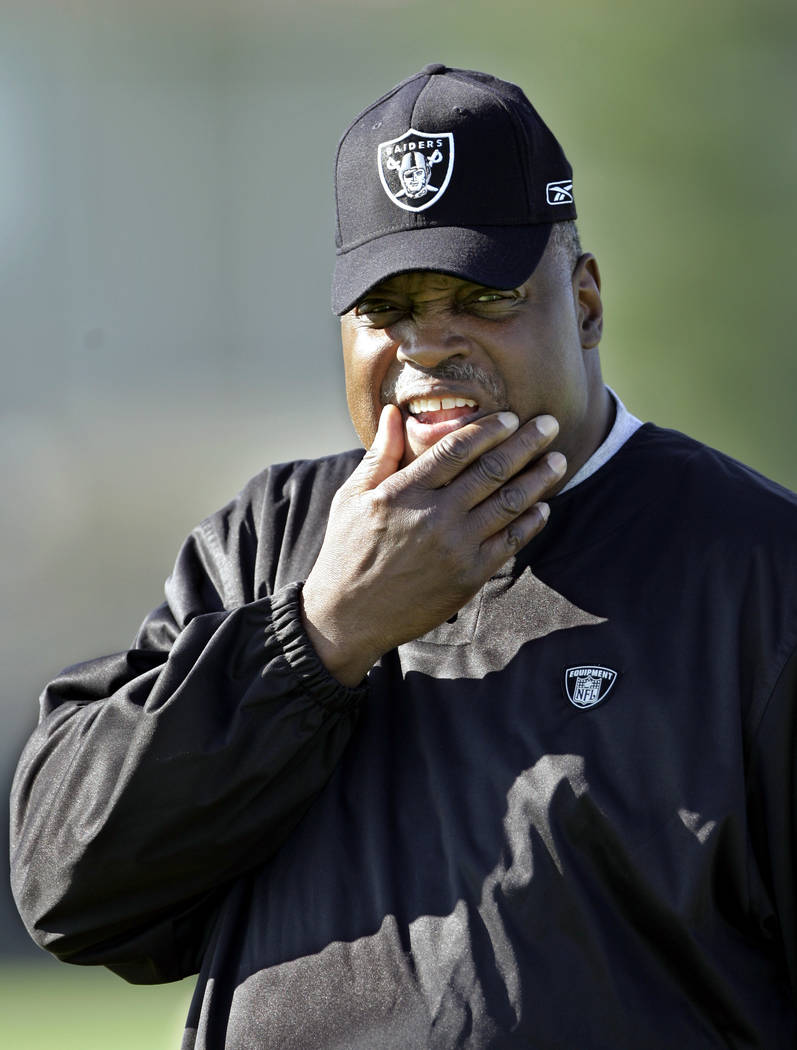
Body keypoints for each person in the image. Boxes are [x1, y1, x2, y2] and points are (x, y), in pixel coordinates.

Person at [10, 63, 797, 1049]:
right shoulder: (265, 541)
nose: (427, 345)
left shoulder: (759, 575)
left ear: (585, 302)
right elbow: (70, 889)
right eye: (386, 310)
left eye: (480, 295)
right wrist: (318, 637)